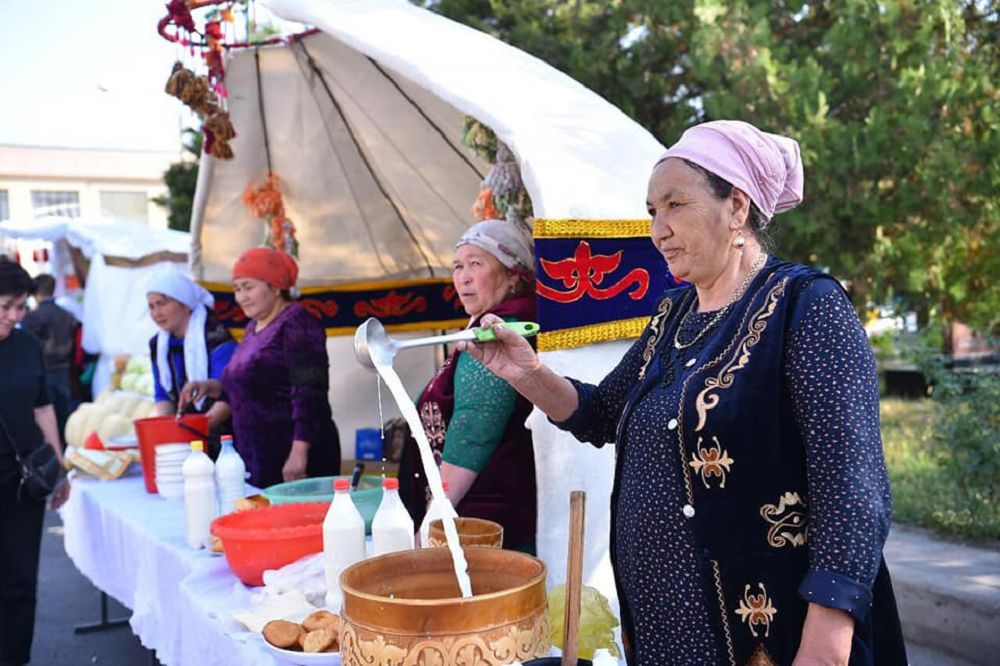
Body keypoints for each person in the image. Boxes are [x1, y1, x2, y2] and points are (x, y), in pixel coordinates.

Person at [458, 121, 907, 665]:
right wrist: (527, 373)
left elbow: (852, 483)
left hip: (768, 631)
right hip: (667, 625)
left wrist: (830, 634)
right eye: (652, 210)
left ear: (737, 207)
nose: (659, 229)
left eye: (675, 205)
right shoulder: (674, 315)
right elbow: (602, 414)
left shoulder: (806, 307)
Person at [399, 219, 538, 554]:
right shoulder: (490, 326)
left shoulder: (500, 334)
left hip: (479, 527)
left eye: (476, 264)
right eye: (458, 266)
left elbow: (474, 432)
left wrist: (434, 520)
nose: (463, 277)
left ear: (513, 274)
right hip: (485, 518)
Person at [178, 248, 341, 488]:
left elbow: (310, 393)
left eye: (248, 287)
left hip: (294, 457)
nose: (240, 297)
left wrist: (299, 452)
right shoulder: (253, 327)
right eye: (236, 289)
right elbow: (244, 386)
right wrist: (209, 387)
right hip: (258, 456)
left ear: (275, 287)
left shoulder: (297, 323)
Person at [0, 258, 70, 666]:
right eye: (6, 305)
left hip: (23, 479)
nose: (14, 316)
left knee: (20, 581)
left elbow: (43, 408)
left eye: (20, 306)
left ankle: (15, 658)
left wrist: (58, 468)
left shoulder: (26, 344)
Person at [145, 267, 235, 431]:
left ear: (185, 304)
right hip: (188, 432)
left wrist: (194, 431)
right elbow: (163, 394)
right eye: (151, 307)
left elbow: (229, 395)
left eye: (162, 304)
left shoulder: (216, 338)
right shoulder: (158, 345)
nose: (156, 313)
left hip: (224, 433)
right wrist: (169, 431)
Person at [21, 274, 77, 448]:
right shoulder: (67, 315)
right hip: (65, 368)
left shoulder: (32, 317)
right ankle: (67, 448)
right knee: (64, 413)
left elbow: (27, 349)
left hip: (44, 371)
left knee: (45, 414)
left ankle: (53, 450)